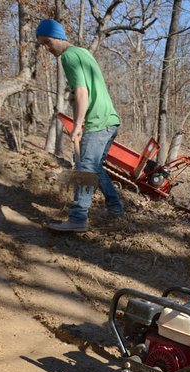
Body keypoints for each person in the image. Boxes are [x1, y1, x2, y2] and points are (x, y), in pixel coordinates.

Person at [36, 19, 124, 233]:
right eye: (43, 45)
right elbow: (81, 93)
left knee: (84, 168)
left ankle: (78, 218)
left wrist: (77, 125)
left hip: (98, 122)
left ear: (58, 37)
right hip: (110, 120)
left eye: (47, 42)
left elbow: (83, 92)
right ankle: (116, 209)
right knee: (94, 168)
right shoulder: (82, 52)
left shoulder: (68, 56)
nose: (47, 48)